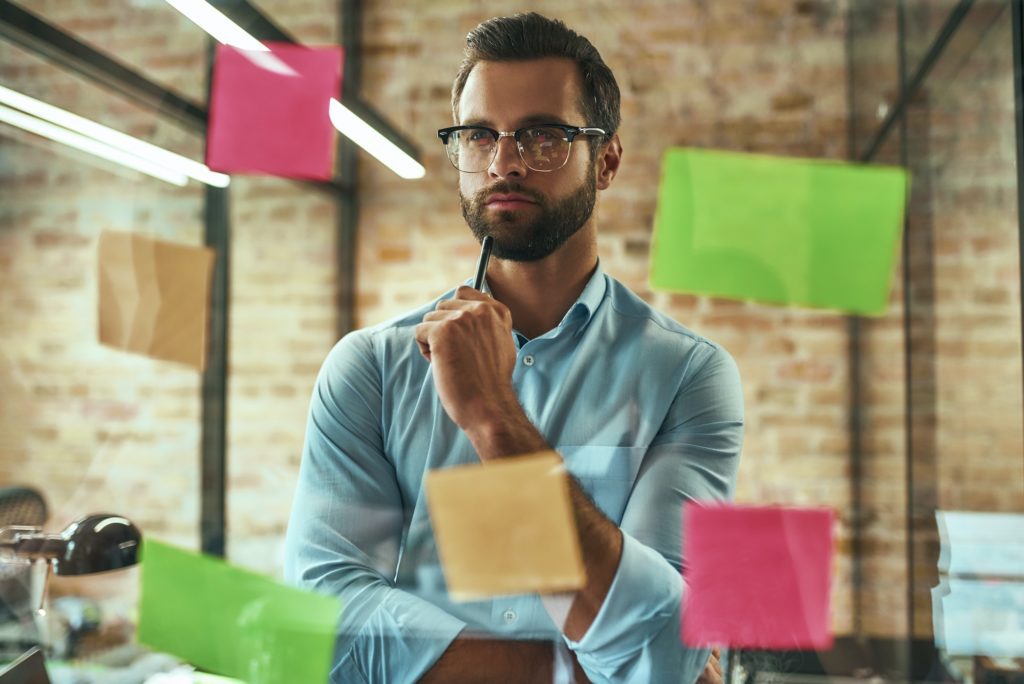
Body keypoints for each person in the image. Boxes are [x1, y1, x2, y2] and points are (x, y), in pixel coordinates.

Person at [284, 12, 743, 684]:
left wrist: (494, 417)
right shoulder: (371, 371)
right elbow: (325, 625)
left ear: (606, 160)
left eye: (543, 135)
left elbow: (665, 648)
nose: (504, 162)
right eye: (479, 135)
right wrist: (571, 670)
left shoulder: (685, 375)